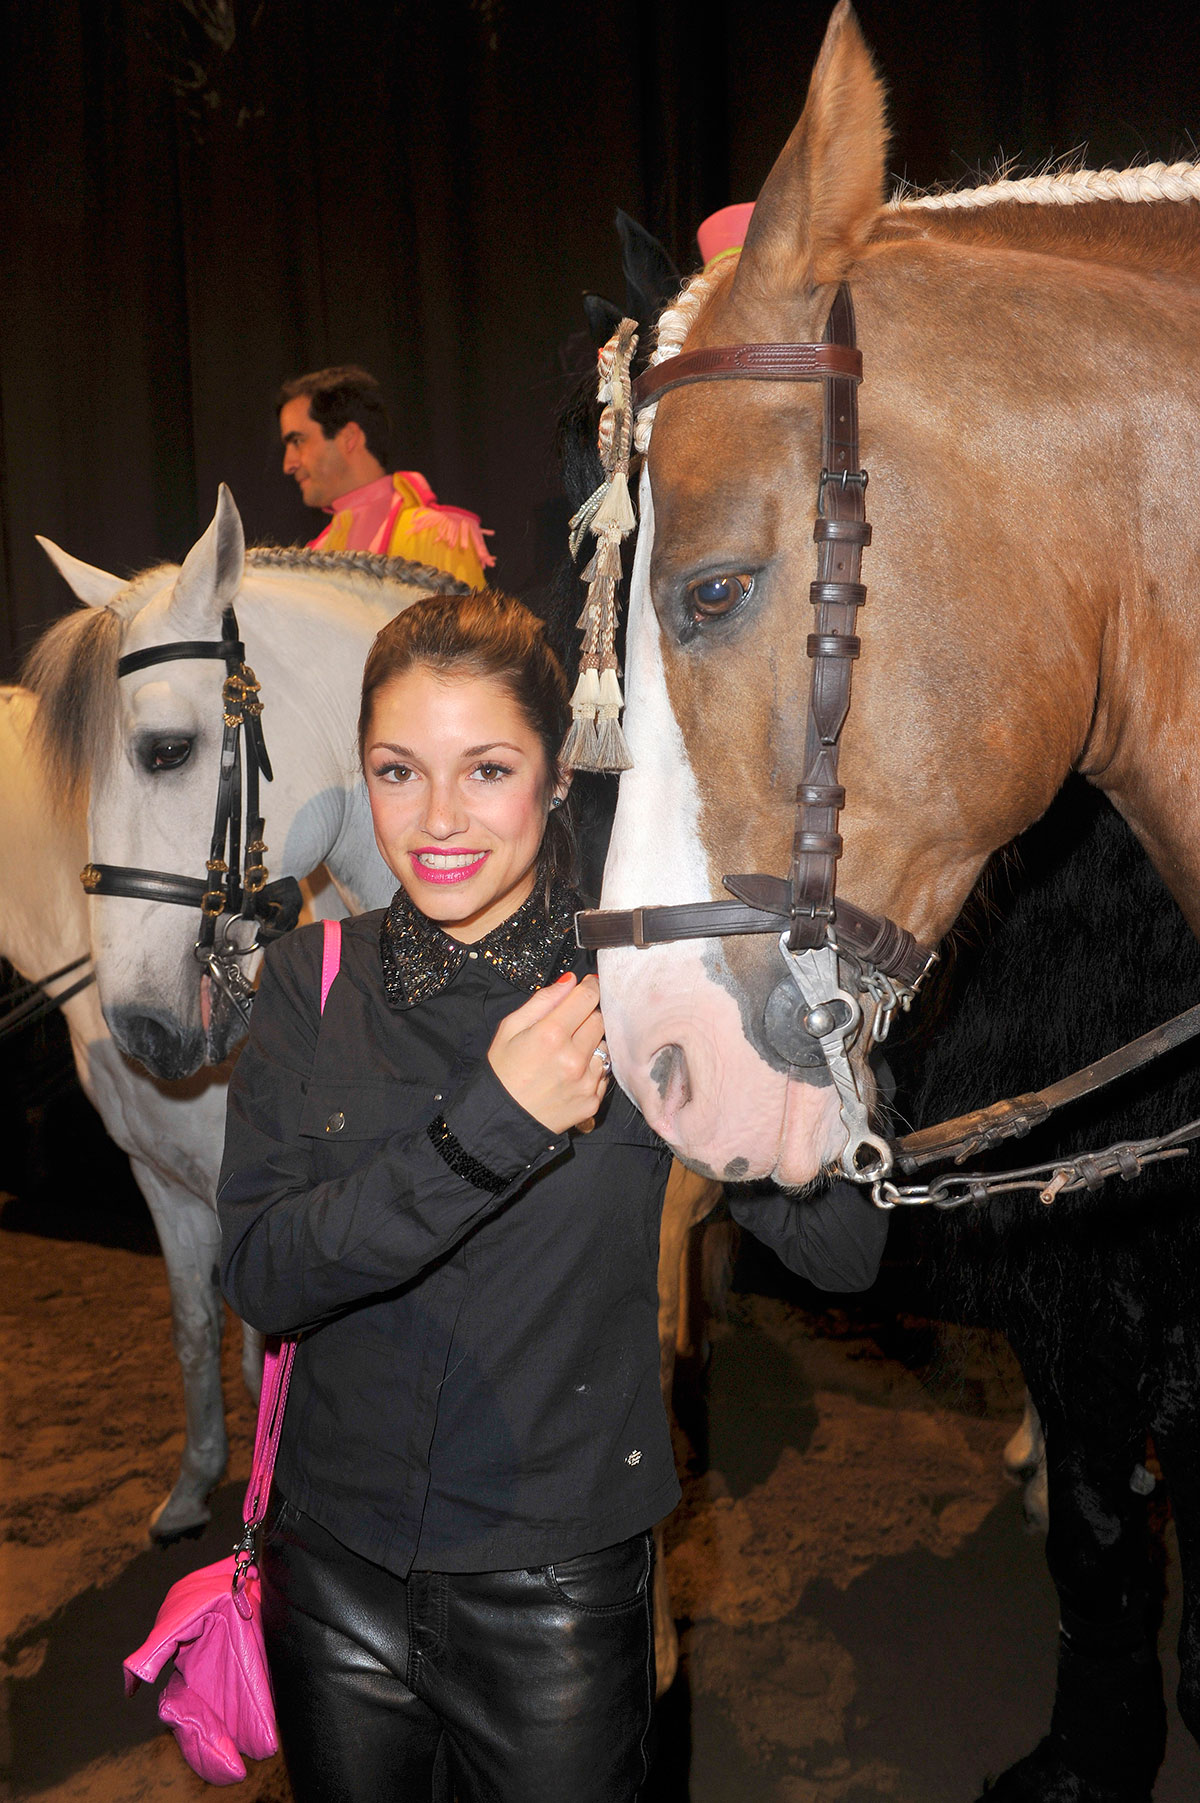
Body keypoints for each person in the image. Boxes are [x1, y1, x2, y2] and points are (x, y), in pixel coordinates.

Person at [217, 591, 887, 1803]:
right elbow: (263, 1274)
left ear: (556, 772)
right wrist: (489, 1131)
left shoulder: (635, 1001)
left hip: (557, 1600)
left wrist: (824, 1050)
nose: (436, 821)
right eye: (397, 771)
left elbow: (842, 1252)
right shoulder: (311, 980)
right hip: (333, 1581)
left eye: (486, 770)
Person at [278, 365, 494, 587]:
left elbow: (472, 623)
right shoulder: (315, 556)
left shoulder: (440, 536)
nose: (288, 465)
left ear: (349, 437)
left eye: (297, 441)